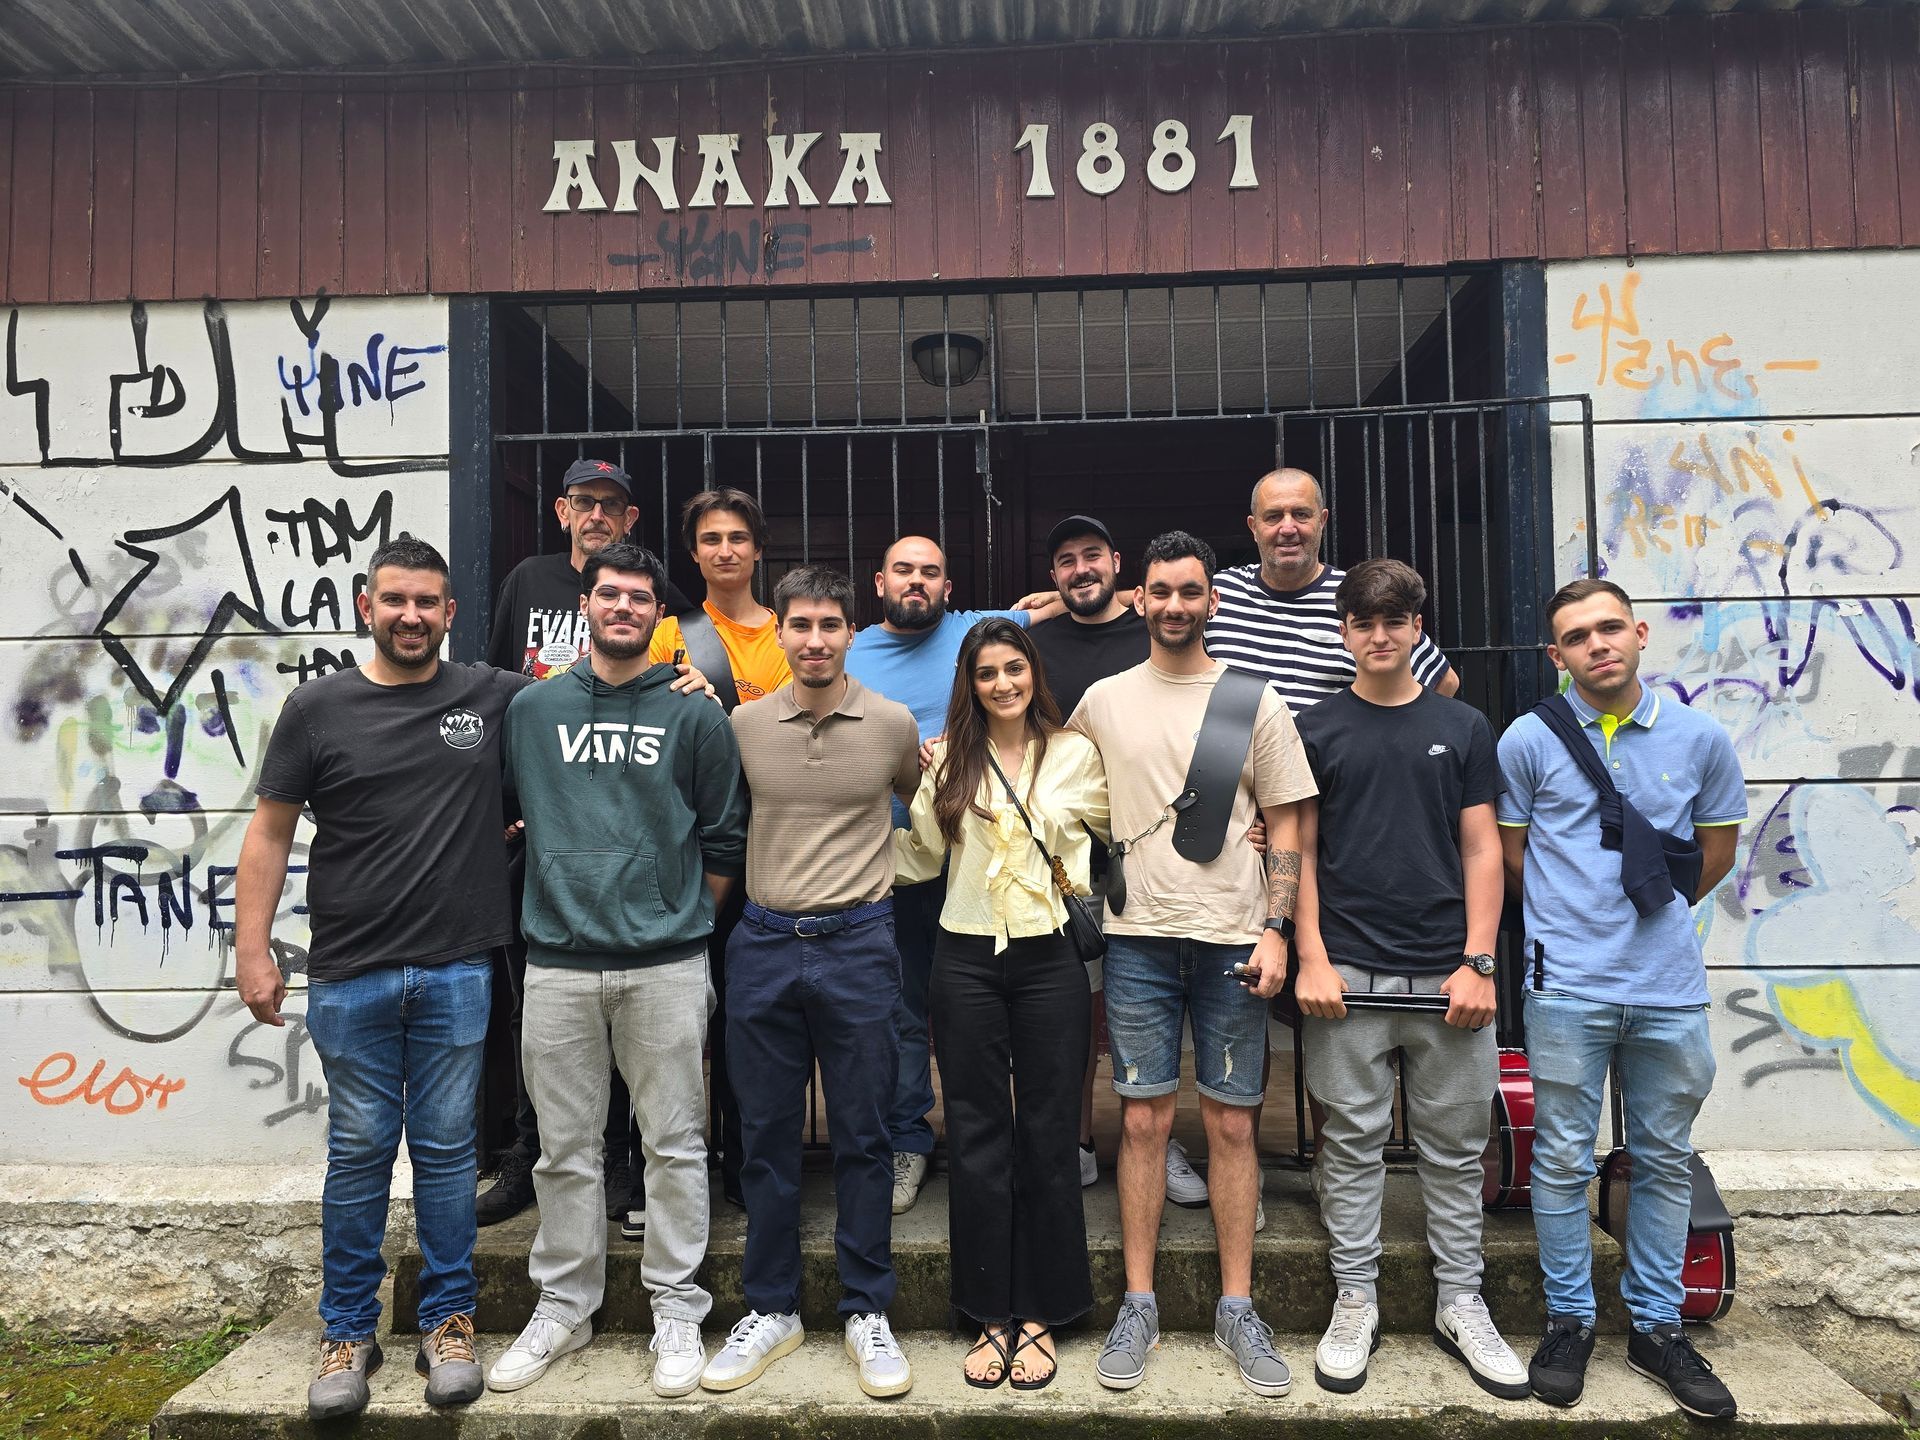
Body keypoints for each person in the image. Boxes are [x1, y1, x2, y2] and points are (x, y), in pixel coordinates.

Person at [235, 535, 528, 1420]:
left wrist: (682, 680)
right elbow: (269, 832)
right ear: (367, 606)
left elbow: (592, 693)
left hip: (457, 968)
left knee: (446, 1154)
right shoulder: (316, 708)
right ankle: (347, 1333)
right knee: (358, 1154)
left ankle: (448, 1323)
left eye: (426, 601)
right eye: (394, 600)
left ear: (449, 612)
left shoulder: (490, 695)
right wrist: (252, 950)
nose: (411, 615)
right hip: (349, 971)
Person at [486, 541, 747, 1400]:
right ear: (586, 605)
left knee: (673, 1143)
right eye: (610, 594)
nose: (624, 608)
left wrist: (683, 918)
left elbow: (725, 836)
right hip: (559, 963)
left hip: (666, 963)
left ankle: (676, 1305)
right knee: (564, 1150)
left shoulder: (694, 712)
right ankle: (565, 1306)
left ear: (657, 613)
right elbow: (509, 810)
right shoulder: (533, 709)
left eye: (639, 597)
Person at [1070, 531, 1316, 1399]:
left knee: (1233, 1126)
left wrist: (1278, 930)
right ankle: (1138, 1302)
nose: (1175, 605)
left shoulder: (1255, 699)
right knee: (1141, 1123)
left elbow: (1288, 821)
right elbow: (1057, 791)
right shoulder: (1102, 701)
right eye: (1161, 591)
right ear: (1138, 599)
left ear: (1212, 599)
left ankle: (1237, 1306)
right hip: (1136, 937)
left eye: (1190, 591)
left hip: (1233, 938)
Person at [1497, 579, 1746, 1419]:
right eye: (1577, 636)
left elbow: (1716, 852)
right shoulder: (1529, 740)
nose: (1596, 645)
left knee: (1664, 1158)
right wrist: (1574, 920)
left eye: (1609, 628)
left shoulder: (1700, 737)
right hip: (1567, 984)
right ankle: (1569, 1320)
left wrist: (1652, 913)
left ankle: (1657, 1327)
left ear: (1640, 633)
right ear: (1556, 655)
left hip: (1669, 988)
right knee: (1562, 1160)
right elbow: (1513, 855)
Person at [1290, 559, 1527, 1399]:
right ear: (1344, 633)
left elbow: (1482, 848)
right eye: (1364, 622)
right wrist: (1311, 956)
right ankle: (1355, 1299)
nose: (1380, 635)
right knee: (1350, 1144)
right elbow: (1298, 849)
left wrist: (1480, 961)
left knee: (1456, 1148)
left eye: (1395, 620)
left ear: (1417, 628)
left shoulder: (1463, 726)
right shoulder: (1315, 728)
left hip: (1447, 974)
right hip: (1346, 971)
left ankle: (1461, 1301)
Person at [701, 566, 924, 1400]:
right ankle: (772, 1308)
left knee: (865, 1135)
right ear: (781, 633)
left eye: (831, 625)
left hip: (860, 942)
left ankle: (867, 1309)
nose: (816, 640)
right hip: (763, 941)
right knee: (764, 1137)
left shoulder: (892, 723)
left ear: (851, 633)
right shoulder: (743, 725)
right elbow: (716, 816)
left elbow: (920, 803)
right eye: (801, 625)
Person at [478, 457, 698, 1235]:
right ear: (563, 511)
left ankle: (621, 1161)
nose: (596, 513)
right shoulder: (527, 581)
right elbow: (497, 687)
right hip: (544, 828)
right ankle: (527, 1154)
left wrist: (696, 681)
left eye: (611, 503)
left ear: (630, 517)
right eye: (583, 501)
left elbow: (686, 666)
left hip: (628, 837)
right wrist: (512, 802)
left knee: (634, 1016)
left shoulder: (656, 597)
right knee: (534, 1012)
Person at [896, 617, 1107, 1391]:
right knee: (977, 1133)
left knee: (1049, 1132)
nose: (1002, 684)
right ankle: (988, 1311)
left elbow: (1125, 826)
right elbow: (920, 856)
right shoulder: (949, 757)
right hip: (965, 955)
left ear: (1032, 673)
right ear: (971, 683)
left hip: (1050, 955)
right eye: (986, 673)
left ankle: (1046, 1311)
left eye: (1013, 668)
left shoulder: (1075, 752)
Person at [843, 535, 1052, 1214]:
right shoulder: (849, 650)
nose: (917, 581)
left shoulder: (978, 631)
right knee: (902, 1007)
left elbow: (1071, 606)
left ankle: (986, 1146)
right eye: (903, 570)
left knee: (988, 1009)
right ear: (879, 581)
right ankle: (909, 1140)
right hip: (894, 860)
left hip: (984, 860)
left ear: (948, 588)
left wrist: (1123, 594)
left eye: (930, 572)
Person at [648, 487, 792, 1210]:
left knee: (751, 1016)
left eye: (738, 537)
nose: (725, 550)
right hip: (686, 847)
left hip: (771, 848)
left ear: (758, 550)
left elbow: (800, 735)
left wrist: (725, 708)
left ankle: (744, 1158)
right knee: (674, 1016)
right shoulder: (666, 634)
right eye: (711, 539)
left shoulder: (793, 634)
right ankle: (669, 1163)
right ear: (694, 553)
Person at [1030, 516, 1145, 1193]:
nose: (1081, 569)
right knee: (1074, 1008)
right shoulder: (1036, 643)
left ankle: (1152, 1142)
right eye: (1067, 560)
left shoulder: (1154, 630)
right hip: (1068, 859)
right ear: (1053, 576)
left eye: (1092, 555)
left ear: (1116, 563)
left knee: (1147, 1007)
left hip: (1154, 850)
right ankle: (1075, 1141)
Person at [1208, 468, 1460, 710]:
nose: (1287, 528)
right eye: (1273, 516)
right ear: (1253, 527)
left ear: (1322, 520)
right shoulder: (1220, 592)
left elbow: (1444, 682)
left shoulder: (1357, 594)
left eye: (1301, 514)